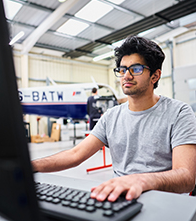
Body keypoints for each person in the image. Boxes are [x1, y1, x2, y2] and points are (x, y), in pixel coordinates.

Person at [32, 35, 196, 202]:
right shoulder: (111, 116)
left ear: (155, 76)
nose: (127, 76)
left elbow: (186, 177)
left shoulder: (179, 113)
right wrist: (30, 165)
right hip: (121, 201)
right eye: (123, 69)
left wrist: (142, 180)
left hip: (165, 202)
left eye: (136, 69)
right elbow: (75, 154)